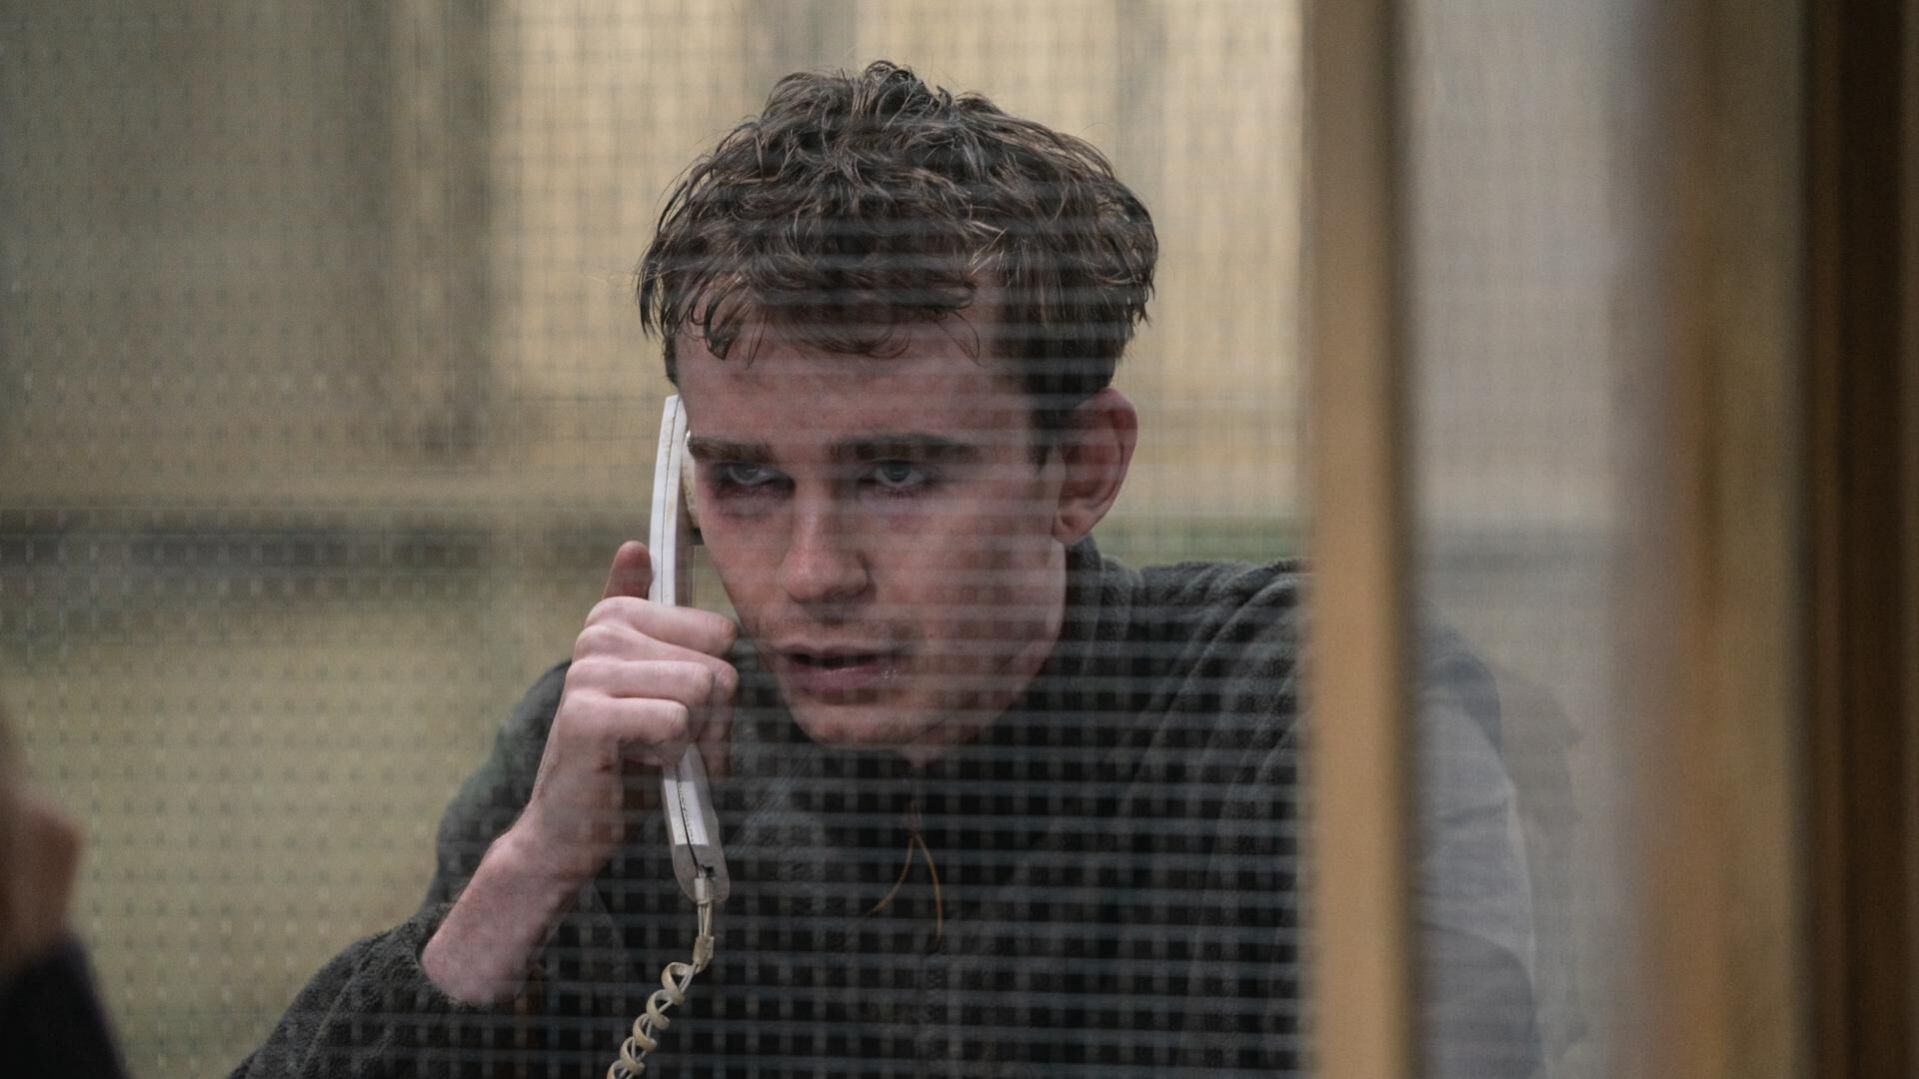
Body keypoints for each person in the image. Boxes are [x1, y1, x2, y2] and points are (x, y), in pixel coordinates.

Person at [233, 61, 1537, 1077]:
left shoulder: (1304, 714)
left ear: (1081, 470)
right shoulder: (624, 770)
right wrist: (521, 879)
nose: (811, 574)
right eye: (746, 481)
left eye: (898, 475)